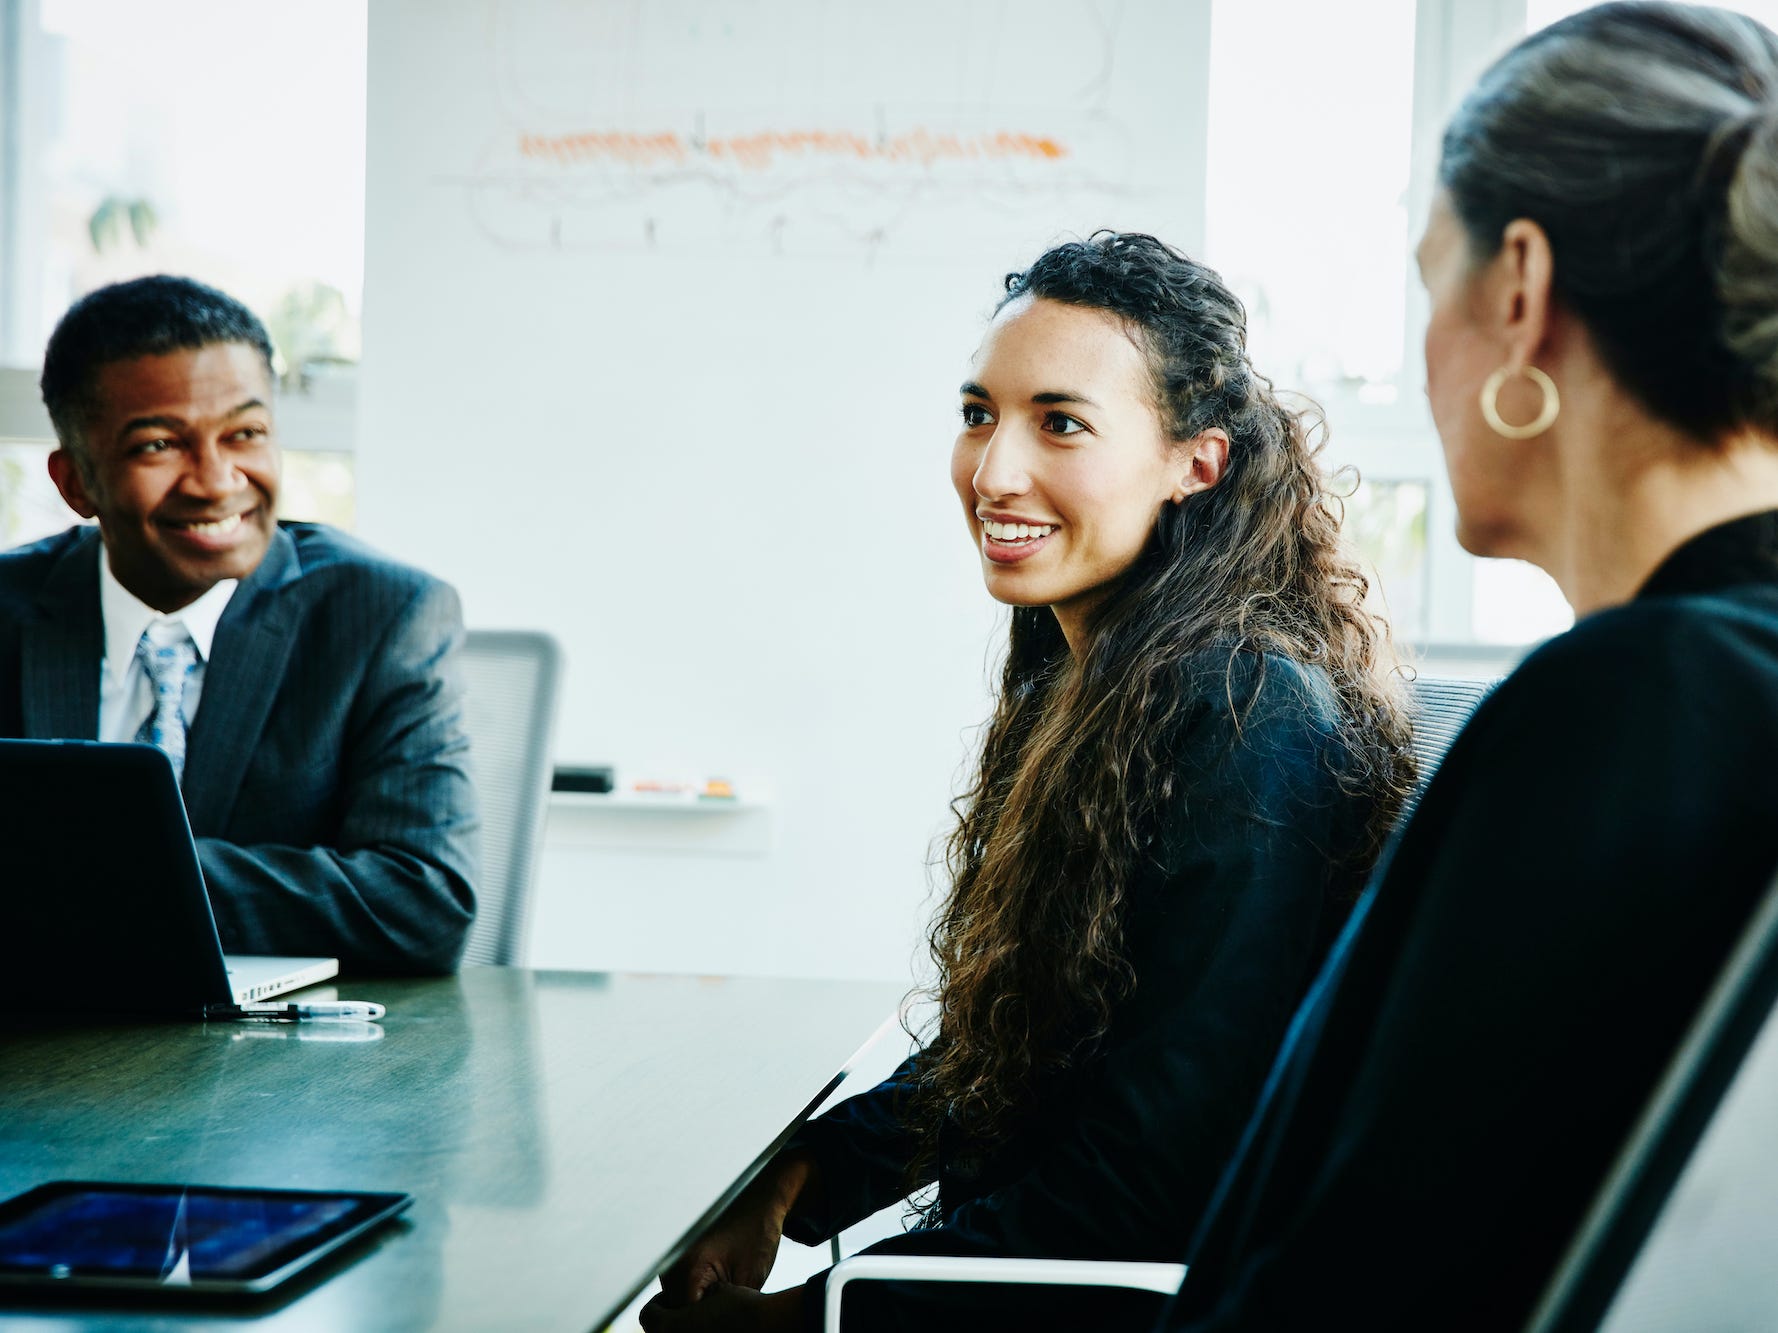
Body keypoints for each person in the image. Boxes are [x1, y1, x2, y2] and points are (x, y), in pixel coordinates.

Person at [640, 234, 1415, 1333]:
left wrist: (812, 1317)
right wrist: (797, 1179)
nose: (994, 471)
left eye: (1060, 422)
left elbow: (1148, 1181)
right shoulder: (1084, 669)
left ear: (1195, 461)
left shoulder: (1249, 713)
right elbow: (1025, 1052)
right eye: (976, 413)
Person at [1157, 5, 1778, 1329]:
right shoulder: (1717, 682)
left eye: (1424, 277)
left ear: (1516, 291)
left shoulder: (1628, 708)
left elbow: (1352, 1280)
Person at [0, 275, 478, 974]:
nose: (218, 480)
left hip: (279, 1064)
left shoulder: (384, 616)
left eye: (245, 434)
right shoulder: (11, 610)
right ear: (77, 483)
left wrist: (106, 870)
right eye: (161, 445)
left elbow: (422, 902)